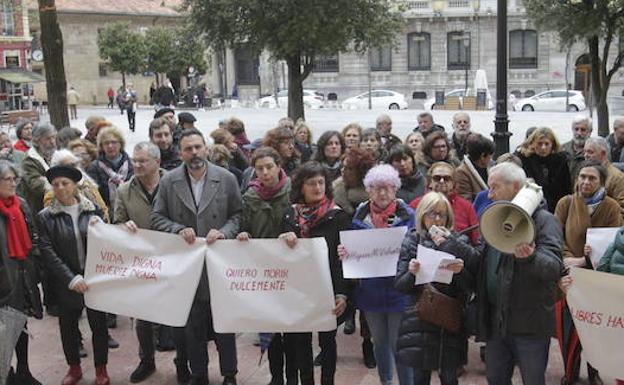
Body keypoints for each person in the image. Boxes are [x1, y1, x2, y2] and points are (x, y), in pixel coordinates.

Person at [151, 128, 241, 385]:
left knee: (224, 324)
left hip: (219, 265)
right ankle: (199, 373)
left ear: (207, 149)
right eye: (188, 149)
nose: (194, 153)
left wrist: (224, 232)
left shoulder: (226, 178)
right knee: (193, 326)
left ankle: (229, 374)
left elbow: (238, 215)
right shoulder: (169, 181)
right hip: (187, 268)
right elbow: (157, 217)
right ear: (181, 153)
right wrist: (177, 229)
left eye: (198, 147)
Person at [477, 162, 564, 385]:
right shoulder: (495, 218)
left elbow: (554, 268)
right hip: (498, 324)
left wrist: (531, 258)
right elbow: (481, 261)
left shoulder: (545, 221)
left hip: (530, 327)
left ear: (515, 186)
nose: (490, 194)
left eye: (495, 187)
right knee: (496, 379)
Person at [113, 142, 189, 384]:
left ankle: (182, 363)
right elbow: (116, 223)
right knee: (142, 316)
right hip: (143, 262)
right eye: (135, 160)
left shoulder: (177, 183)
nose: (136, 165)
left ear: (157, 162)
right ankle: (146, 360)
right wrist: (123, 226)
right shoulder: (124, 190)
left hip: (174, 259)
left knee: (177, 314)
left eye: (142, 161)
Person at [338, 164, 415, 385]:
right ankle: (386, 381)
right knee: (379, 342)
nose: (382, 193)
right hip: (370, 292)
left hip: (399, 291)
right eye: (376, 188)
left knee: (398, 344)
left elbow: (417, 245)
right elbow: (352, 252)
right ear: (368, 190)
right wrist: (345, 253)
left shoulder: (408, 216)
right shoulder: (358, 216)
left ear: (396, 189)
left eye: (388, 188)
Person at [395, 191, 480, 385]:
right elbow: (400, 285)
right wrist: (411, 273)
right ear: (422, 215)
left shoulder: (459, 242)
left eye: (442, 214)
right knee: (419, 378)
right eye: (432, 214)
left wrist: (460, 271)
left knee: (450, 377)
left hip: (448, 323)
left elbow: (470, 288)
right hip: (418, 320)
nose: (437, 220)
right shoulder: (412, 240)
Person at [37, 165, 109, 385]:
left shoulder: (92, 210)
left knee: (99, 327)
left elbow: (106, 240)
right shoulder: (46, 217)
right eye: (56, 184)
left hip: (93, 277)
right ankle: (74, 368)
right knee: (68, 327)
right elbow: (48, 252)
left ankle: (101, 369)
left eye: (65, 183)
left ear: (75, 185)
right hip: (65, 281)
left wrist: (107, 226)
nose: (60, 188)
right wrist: (71, 278)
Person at [280, 161, 351, 385]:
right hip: (297, 290)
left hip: (328, 288)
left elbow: (342, 262)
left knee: (328, 341)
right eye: (311, 183)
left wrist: (342, 294)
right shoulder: (289, 216)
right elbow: (279, 257)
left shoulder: (338, 216)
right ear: (301, 186)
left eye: (321, 182)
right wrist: (282, 240)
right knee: (299, 342)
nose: (317, 187)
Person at [554, 160, 622, 385]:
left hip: (596, 278)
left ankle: (595, 371)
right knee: (569, 328)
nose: (585, 182)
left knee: (595, 327)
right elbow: (556, 237)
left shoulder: (611, 207)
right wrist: (569, 259)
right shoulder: (566, 203)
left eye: (592, 178)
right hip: (569, 275)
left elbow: (614, 243)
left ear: (601, 182)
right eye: (582, 176)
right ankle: (570, 373)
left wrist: (587, 259)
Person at [236, 147, 293, 385]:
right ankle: (276, 376)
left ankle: (293, 377)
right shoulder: (249, 196)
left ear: (279, 166)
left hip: (290, 270)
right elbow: (243, 223)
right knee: (269, 329)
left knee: (291, 329)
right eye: (260, 168)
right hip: (262, 271)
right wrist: (243, 233)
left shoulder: (293, 192)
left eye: (269, 166)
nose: (265, 172)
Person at [0, 160, 43, 385]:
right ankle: (7, 373)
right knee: (4, 330)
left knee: (22, 325)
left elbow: (33, 234)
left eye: (15, 179)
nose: (13, 183)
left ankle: (24, 370)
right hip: (3, 280)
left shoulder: (21, 204)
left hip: (23, 274)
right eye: (8, 179)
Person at [410, 162, 480, 246]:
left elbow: (476, 240)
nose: (442, 181)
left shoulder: (466, 207)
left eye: (447, 178)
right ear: (430, 181)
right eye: (437, 178)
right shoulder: (416, 204)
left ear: (453, 183)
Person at [517, 127, 572, 212]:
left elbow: (566, 188)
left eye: (547, 144)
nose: (543, 147)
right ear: (533, 144)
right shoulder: (525, 160)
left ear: (552, 145)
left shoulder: (560, 161)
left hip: (556, 206)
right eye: (539, 144)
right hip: (531, 205)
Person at [87, 126, 133, 222]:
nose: (110, 146)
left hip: (131, 214)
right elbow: (93, 196)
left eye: (114, 142)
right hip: (106, 216)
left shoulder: (132, 164)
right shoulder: (94, 167)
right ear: (101, 146)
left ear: (121, 144)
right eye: (106, 143)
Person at [583, 136, 624, 220]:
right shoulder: (582, 174)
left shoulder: (617, 177)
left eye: (590, 152)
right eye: (585, 152)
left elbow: (622, 207)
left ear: (603, 154)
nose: (586, 155)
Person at [21, 122, 57, 215]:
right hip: (41, 210)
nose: (52, 141)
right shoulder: (29, 160)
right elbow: (36, 185)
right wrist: (57, 182)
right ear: (37, 141)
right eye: (48, 138)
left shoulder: (52, 154)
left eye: (53, 137)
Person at [333, 148, 376, 216]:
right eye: (343, 167)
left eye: (349, 169)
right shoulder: (336, 190)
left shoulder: (376, 198)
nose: (343, 170)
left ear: (361, 172)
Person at [455, 133, 494, 202]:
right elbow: (466, 201)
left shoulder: (490, 167)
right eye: (490, 155)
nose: (491, 158)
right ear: (482, 156)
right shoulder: (462, 173)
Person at [561, 115, 592, 181]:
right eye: (576, 129)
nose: (579, 133)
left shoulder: (594, 151)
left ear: (590, 132)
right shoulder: (562, 149)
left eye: (583, 130)